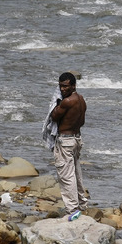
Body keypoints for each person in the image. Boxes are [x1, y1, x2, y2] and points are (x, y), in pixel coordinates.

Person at [47, 72, 89, 221]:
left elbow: (53, 116)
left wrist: (57, 102)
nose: (63, 89)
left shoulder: (66, 102)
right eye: (60, 86)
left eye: (65, 86)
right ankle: (82, 204)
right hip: (77, 138)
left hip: (65, 140)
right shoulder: (81, 100)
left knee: (66, 176)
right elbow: (82, 121)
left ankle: (72, 209)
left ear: (73, 85)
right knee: (76, 173)